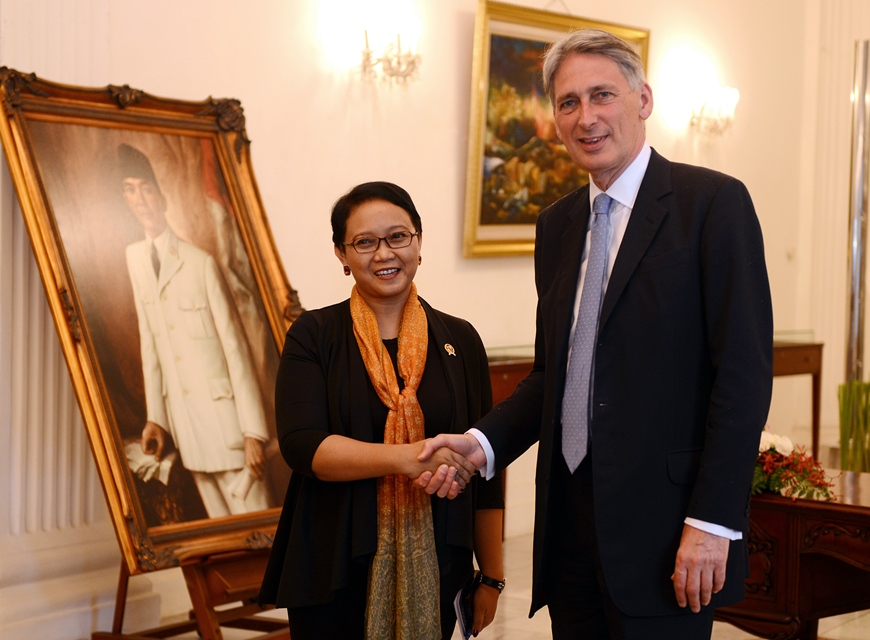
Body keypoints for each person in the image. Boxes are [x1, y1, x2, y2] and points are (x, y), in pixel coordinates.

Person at [418, 29, 773, 639]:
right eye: (568, 102)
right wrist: (483, 442)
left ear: (643, 100)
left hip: (669, 532)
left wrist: (713, 522)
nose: (586, 118)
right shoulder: (556, 225)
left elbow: (742, 379)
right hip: (570, 531)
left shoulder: (711, 204)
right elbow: (554, 374)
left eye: (602, 95)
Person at [258, 182, 504, 639]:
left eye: (398, 237)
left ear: (418, 242)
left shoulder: (460, 339)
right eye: (365, 242)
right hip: (334, 562)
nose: (384, 254)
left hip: (439, 557)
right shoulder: (314, 334)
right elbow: (302, 446)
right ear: (341, 255)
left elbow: (487, 468)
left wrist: (490, 576)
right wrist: (405, 458)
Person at [121, 143, 272, 519]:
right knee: (221, 542)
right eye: (129, 189)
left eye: (146, 188)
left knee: (264, 538)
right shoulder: (135, 259)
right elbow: (150, 343)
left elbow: (235, 350)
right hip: (188, 430)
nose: (140, 199)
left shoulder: (200, 263)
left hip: (230, 429)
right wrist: (156, 417)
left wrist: (254, 431)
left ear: (161, 195)